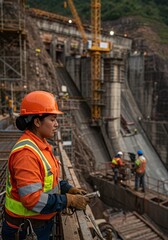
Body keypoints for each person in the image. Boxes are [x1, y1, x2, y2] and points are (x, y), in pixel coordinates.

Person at [2, 91, 89, 240]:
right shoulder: (26, 154)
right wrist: (68, 200)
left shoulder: (41, 145)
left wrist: (68, 189)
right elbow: (32, 199)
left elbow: (48, 179)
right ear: (37, 122)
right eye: (52, 119)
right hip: (25, 231)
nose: (57, 124)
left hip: (37, 225)